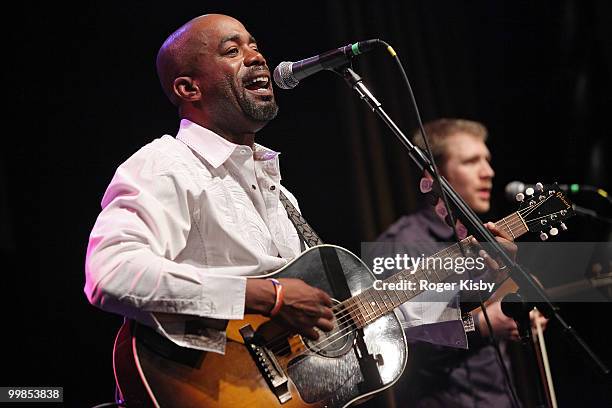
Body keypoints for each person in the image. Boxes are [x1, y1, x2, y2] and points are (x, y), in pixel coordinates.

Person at [84, 14, 335, 357]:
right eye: (232, 50)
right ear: (189, 89)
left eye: (255, 46)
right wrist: (268, 296)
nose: (256, 57)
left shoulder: (277, 188)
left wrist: (432, 292)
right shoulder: (165, 164)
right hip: (214, 381)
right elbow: (111, 272)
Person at [376, 118, 547, 407]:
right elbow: (401, 342)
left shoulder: (480, 241)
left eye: (488, 161)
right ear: (436, 176)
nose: (488, 172)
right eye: (471, 161)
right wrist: (482, 325)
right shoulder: (403, 243)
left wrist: (519, 314)